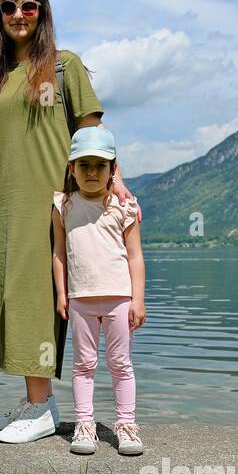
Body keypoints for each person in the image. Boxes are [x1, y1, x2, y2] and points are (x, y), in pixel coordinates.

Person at [0, 0, 132, 444]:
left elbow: (92, 134)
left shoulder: (65, 68)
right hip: (4, 203)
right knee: (12, 297)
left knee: (37, 298)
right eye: (9, 6)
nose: (18, 14)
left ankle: (45, 408)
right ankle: (34, 399)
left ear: (43, 13)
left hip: (50, 201)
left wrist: (118, 182)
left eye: (29, 6)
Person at [52, 126, 146, 456]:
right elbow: (59, 252)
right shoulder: (63, 204)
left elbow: (135, 256)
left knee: (121, 363)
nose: (92, 172)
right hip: (80, 299)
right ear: (71, 168)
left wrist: (138, 299)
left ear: (112, 169)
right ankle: (85, 424)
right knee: (83, 365)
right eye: (84, 165)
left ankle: (126, 425)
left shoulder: (125, 207)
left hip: (119, 298)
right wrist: (62, 293)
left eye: (100, 166)